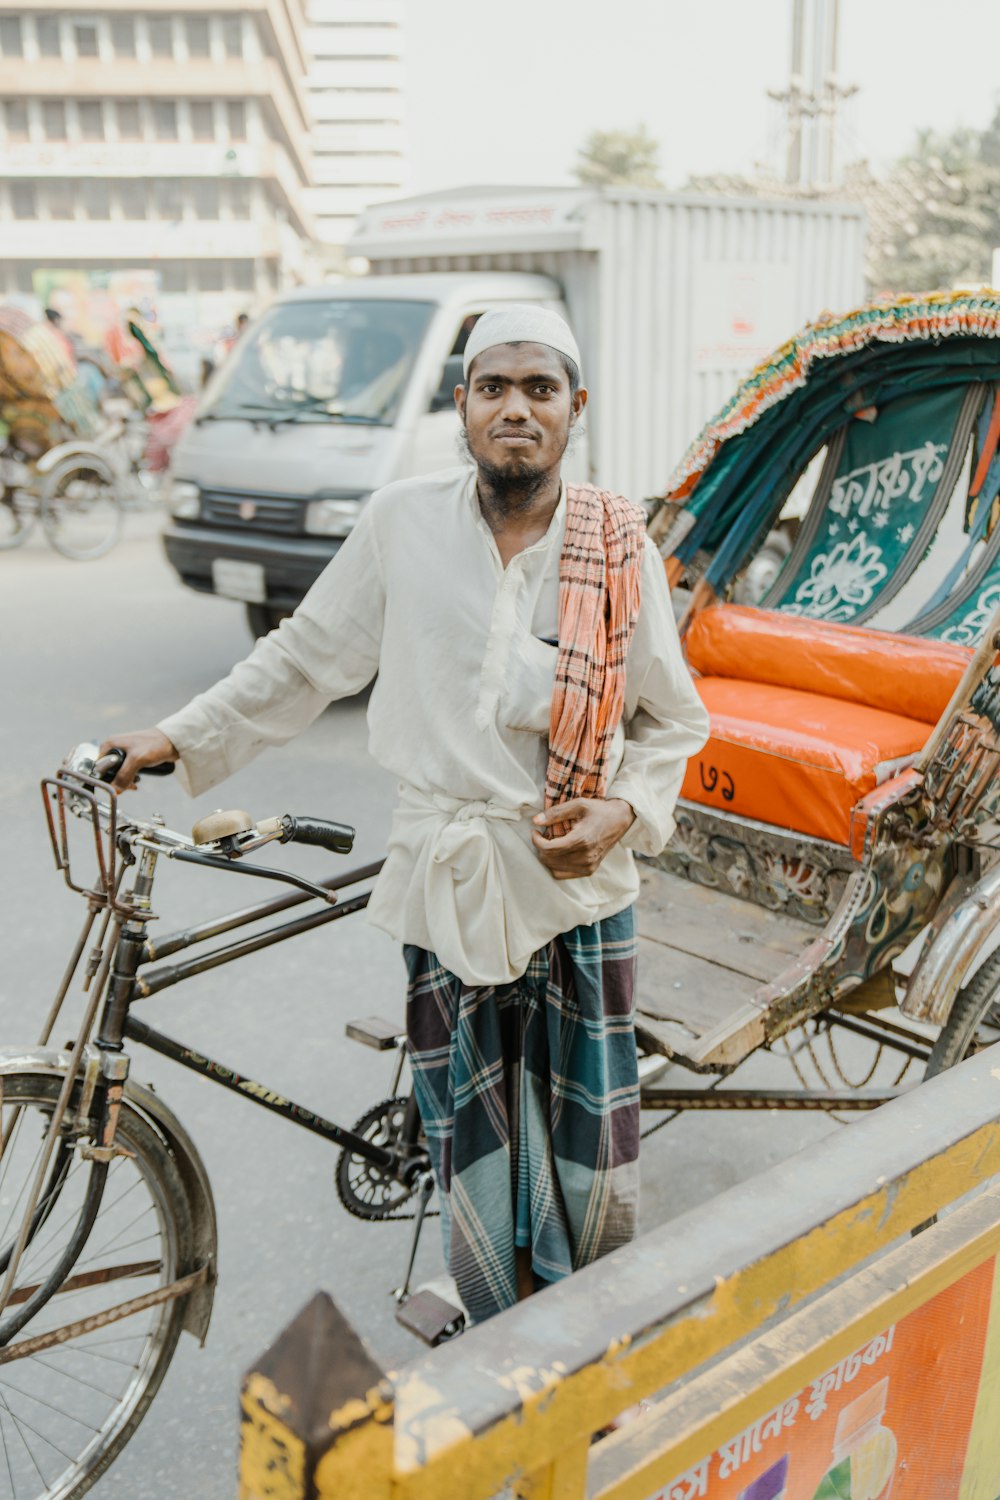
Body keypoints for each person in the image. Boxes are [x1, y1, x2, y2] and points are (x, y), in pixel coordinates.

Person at [102, 305, 710, 1325]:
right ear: (463, 404)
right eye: (492, 388)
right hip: (448, 880)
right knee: (468, 1137)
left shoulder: (616, 544)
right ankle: (494, 1321)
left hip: (577, 890)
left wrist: (626, 809)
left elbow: (674, 719)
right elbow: (304, 659)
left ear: (575, 410)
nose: (515, 408)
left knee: (582, 1148)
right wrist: (177, 737)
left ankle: (582, 1338)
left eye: (539, 389)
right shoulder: (399, 521)